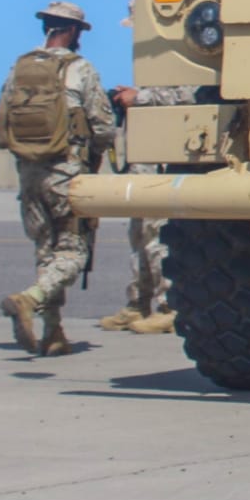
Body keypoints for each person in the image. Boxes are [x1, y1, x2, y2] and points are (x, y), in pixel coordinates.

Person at [0, 2, 115, 356]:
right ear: (74, 31)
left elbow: (3, 121)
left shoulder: (19, 68)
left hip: (29, 172)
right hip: (67, 172)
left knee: (46, 250)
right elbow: (103, 127)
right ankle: (30, 299)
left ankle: (53, 331)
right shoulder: (80, 69)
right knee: (73, 251)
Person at [98, 84, 203, 334]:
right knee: (139, 235)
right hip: (145, 164)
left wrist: (141, 98)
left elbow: (193, 94)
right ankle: (138, 302)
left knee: (158, 236)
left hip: (166, 162)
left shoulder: (191, 59)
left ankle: (169, 308)